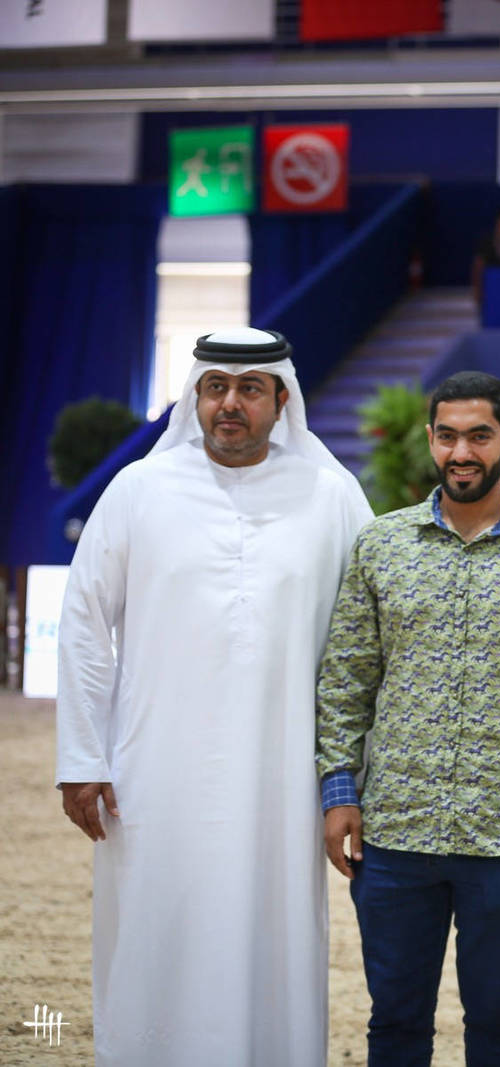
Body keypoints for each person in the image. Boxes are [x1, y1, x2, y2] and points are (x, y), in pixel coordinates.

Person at [55, 328, 373, 1065]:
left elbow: (374, 640)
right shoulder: (139, 489)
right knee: (154, 931)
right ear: (195, 395)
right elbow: (81, 622)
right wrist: (80, 756)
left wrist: (353, 779)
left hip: (283, 779)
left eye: (250, 388)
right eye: (215, 386)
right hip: (153, 775)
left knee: (274, 939)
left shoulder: (331, 496)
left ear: (281, 399)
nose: (230, 403)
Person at [317, 370, 500, 1065]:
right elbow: (345, 680)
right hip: (395, 830)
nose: (462, 451)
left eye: (479, 435)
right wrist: (339, 792)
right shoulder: (380, 546)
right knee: (393, 1021)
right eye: (448, 436)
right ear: (429, 441)